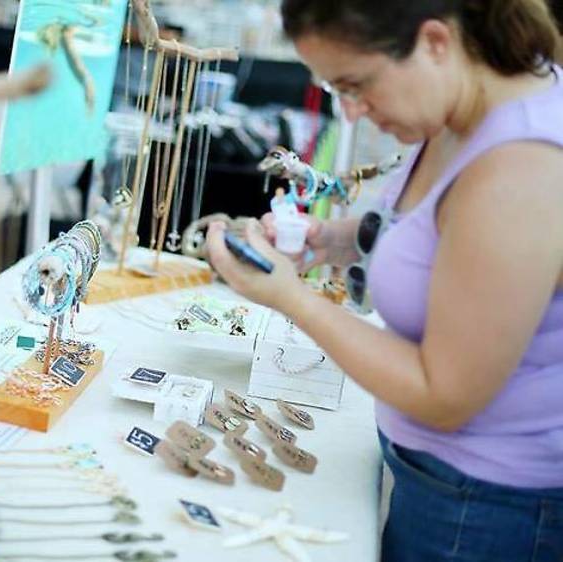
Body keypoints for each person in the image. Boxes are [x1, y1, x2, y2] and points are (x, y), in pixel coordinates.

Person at [206, 1, 563, 561]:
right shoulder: (469, 103)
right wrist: (336, 239)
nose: (350, 114)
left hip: (488, 513)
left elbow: (445, 395)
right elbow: (441, 234)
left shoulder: (520, 168)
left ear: (436, 43)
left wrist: (291, 299)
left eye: (357, 86)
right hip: (447, 485)